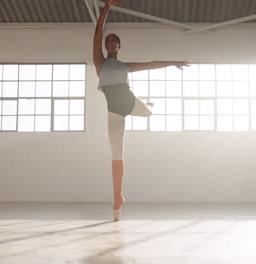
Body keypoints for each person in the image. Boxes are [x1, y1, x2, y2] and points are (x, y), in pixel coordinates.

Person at [93, 0, 189, 221]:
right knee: (117, 155)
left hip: (128, 101)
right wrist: (107, 6)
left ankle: (148, 105)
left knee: (148, 112)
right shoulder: (100, 62)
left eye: (113, 41)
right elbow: (98, 31)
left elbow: (151, 63)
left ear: (119, 46)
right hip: (114, 111)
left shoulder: (125, 66)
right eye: (107, 40)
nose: (109, 42)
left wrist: (173, 62)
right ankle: (118, 199)